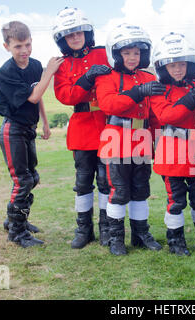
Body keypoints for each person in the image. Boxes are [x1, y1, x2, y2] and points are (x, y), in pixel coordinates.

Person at [95, 23, 165, 256]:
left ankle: (140, 234)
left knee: (140, 188)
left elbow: (155, 113)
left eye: (137, 53)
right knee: (120, 190)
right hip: (116, 137)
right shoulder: (108, 76)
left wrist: (158, 141)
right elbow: (108, 104)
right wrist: (138, 92)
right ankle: (116, 238)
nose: (133, 57)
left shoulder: (148, 76)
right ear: (116, 54)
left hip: (142, 137)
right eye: (127, 53)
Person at [0, 21, 63, 248]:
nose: (24, 51)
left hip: (28, 129)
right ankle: (17, 232)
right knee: (22, 181)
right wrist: (50, 73)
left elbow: (38, 93)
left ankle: (15, 219)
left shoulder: (34, 65)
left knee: (32, 178)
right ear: (7, 46)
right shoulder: (6, 73)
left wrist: (44, 123)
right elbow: (32, 96)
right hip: (12, 129)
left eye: (28, 45)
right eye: (18, 46)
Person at [150, 32, 195, 256]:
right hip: (171, 152)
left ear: (190, 65)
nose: (177, 69)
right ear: (163, 68)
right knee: (176, 199)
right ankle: (176, 240)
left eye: (181, 64)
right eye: (172, 66)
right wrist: (193, 96)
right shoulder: (160, 90)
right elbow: (168, 116)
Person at [52, 7, 112, 249]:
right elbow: (65, 96)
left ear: (87, 32)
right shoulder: (62, 65)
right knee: (84, 182)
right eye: (69, 35)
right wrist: (87, 78)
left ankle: (107, 229)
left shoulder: (104, 54)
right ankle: (83, 230)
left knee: (107, 182)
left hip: (108, 126)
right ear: (62, 40)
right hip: (81, 128)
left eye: (79, 32)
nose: (75, 37)